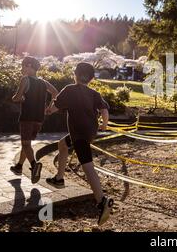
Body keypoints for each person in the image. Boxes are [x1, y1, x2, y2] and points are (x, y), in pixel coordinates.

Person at [45, 62, 113, 226]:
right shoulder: (94, 93)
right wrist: (104, 124)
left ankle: (102, 201)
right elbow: (104, 110)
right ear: (91, 79)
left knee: (87, 165)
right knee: (63, 145)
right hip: (89, 132)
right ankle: (59, 179)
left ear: (74, 74)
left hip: (79, 134)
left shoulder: (69, 89)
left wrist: (48, 110)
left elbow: (54, 106)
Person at [11, 57, 58, 183]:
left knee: (26, 144)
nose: (22, 69)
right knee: (27, 144)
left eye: (23, 66)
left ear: (29, 66)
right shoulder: (44, 82)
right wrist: (49, 108)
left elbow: (17, 97)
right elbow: (55, 93)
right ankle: (19, 167)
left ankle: (34, 165)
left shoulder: (25, 79)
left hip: (27, 117)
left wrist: (15, 98)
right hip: (39, 118)